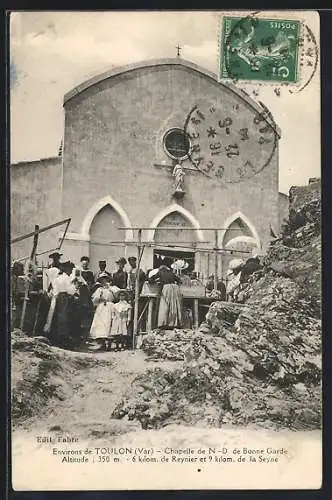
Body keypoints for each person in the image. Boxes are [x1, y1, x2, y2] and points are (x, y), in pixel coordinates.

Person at [45, 261, 78, 347]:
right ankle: (63, 339)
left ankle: (59, 338)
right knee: (64, 318)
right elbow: (71, 291)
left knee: (58, 318)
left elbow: (55, 289)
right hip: (64, 299)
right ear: (66, 269)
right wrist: (74, 285)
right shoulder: (66, 278)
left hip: (58, 298)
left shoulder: (58, 278)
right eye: (70, 269)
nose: (71, 271)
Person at [148, 264, 183, 329]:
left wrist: (156, 282)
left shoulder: (160, 271)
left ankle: (164, 323)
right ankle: (174, 323)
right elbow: (179, 280)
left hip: (167, 288)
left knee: (165, 305)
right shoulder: (171, 272)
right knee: (174, 305)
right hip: (175, 288)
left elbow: (150, 279)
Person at [89, 273, 117, 351]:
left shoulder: (112, 288)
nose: (104, 281)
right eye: (102, 280)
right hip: (102, 307)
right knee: (101, 324)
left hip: (110, 306)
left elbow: (117, 295)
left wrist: (110, 289)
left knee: (109, 323)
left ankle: (109, 343)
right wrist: (100, 298)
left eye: (105, 279)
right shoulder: (99, 290)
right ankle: (102, 343)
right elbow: (94, 300)